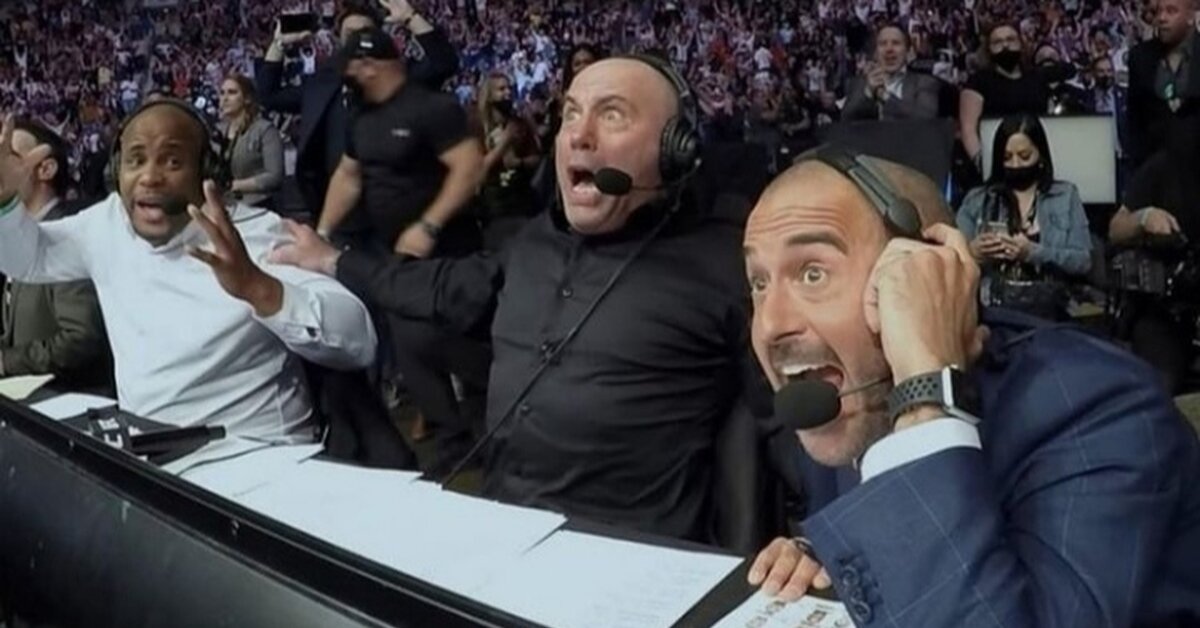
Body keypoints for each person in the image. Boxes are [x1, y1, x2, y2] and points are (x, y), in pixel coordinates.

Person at [270, 56, 751, 541]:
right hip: (504, 531)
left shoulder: (727, 268)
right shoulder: (536, 242)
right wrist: (333, 261)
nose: (579, 136)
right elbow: (443, 288)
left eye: (612, 115)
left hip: (634, 554)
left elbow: (781, 429)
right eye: (571, 114)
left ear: (675, 149)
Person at [742, 150, 1200, 626]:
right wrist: (830, 557)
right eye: (758, 282)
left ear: (931, 271)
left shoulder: (1104, 409)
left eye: (812, 273)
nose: (770, 325)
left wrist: (924, 398)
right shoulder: (850, 400)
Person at [0, 102, 376, 445]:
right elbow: (29, 259)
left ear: (206, 172)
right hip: (148, 454)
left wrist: (258, 288)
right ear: (117, 172)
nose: (149, 177)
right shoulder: (107, 223)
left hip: (256, 454)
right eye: (136, 160)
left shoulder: (257, 233)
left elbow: (359, 342)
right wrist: (5, 201)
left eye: (172, 161)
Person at [256, 0, 458, 230]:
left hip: (397, 212)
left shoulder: (400, 79)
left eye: (365, 33)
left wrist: (410, 18)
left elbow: (443, 63)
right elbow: (269, 95)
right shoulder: (322, 84)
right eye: (350, 34)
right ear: (340, 40)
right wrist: (279, 45)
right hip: (340, 214)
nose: (358, 40)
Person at [316, 27, 481, 257]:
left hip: (445, 248)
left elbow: (469, 168)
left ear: (368, 67)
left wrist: (429, 226)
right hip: (389, 247)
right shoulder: (360, 116)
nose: (346, 76)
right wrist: (323, 232)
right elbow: (348, 175)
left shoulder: (431, 107)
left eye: (350, 69)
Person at [1, 119, 110, 393]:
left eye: (10, 155)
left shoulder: (69, 236)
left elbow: (82, 338)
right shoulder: (15, 238)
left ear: (46, 169)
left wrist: (5, 361)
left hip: (69, 405)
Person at [957, 115, 1091, 319]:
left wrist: (1034, 253)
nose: (1016, 164)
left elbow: (1083, 262)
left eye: (1024, 156)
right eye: (1007, 157)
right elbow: (950, 258)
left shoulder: (1065, 196)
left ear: (1041, 155)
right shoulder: (977, 200)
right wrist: (973, 253)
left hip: (1051, 312)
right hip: (991, 313)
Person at [1109, 114, 1200, 393]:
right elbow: (1116, 229)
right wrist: (1144, 218)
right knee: (1159, 384)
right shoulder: (1167, 164)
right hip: (1165, 307)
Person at [959, 23, 1053, 167]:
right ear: (989, 49)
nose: (1005, 45)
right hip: (996, 160)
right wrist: (981, 162)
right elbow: (968, 129)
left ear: (1020, 43)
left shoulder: (1036, 79)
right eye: (998, 42)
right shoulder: (978, 82)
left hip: (1036, 157)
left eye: (1010, 39)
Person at [1126, 0, 1200, 169]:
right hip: (1154, 170)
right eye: (1158, 11)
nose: (1162, 18)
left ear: (1190, 16)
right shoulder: (1140, 57)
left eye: (1171, 11)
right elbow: (1135, 121)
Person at [476, 71, 542, 253]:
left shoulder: (519, 123)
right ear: (489, 95)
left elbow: (537, 158)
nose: (507, 93)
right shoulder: (477, 125)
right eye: (501, 89)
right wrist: (504, 142)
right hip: (493, 203)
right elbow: (477, 170)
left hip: (522, 199)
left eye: (509, 88)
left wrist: (519, 162)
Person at [842, 25, 941, 122]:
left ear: (908, 51)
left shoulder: (925, 82)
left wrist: (885, 96)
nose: (889, 49)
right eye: (883, 44)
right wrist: (869, 92)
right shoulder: (859, 83)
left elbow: (926, 119)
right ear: (876, 53)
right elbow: (846, 119)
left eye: (896, 43)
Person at [218, 74, 284, 212]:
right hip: (226, 208)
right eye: (222, 93)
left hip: (258, 207)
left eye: (232, 92)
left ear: (247, 98)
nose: (224, 98)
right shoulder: (218, 132)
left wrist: (233, 185)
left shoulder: (264, 130)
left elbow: (274, 177)